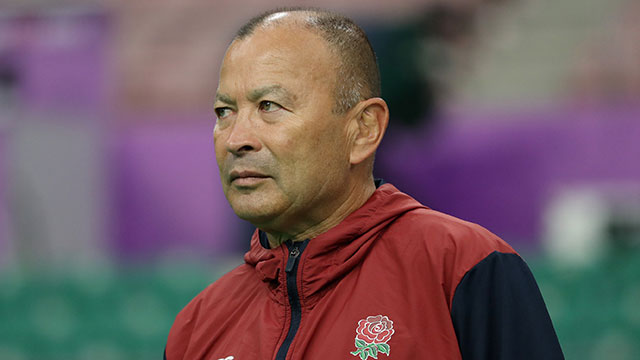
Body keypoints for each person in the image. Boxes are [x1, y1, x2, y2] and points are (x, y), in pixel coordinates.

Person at [165, 7, 564, 360]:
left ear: (363, 129)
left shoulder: (466, 269)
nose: (237, 138)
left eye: (269, 106)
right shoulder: (195, 327)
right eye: (223, 111)